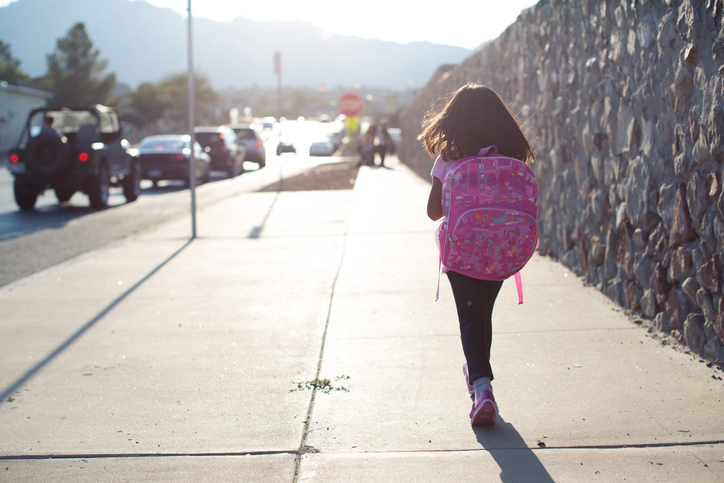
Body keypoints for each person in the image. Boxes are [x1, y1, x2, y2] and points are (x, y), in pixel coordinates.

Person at [418, 83, 535, 425]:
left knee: (470, 318)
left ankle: (481, 389)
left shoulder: (448, 158)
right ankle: (479, 377)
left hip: (462, 252)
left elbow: (433, 211)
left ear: (455, 120)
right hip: (504, 250)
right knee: (482, 316)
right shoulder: (512, 157)